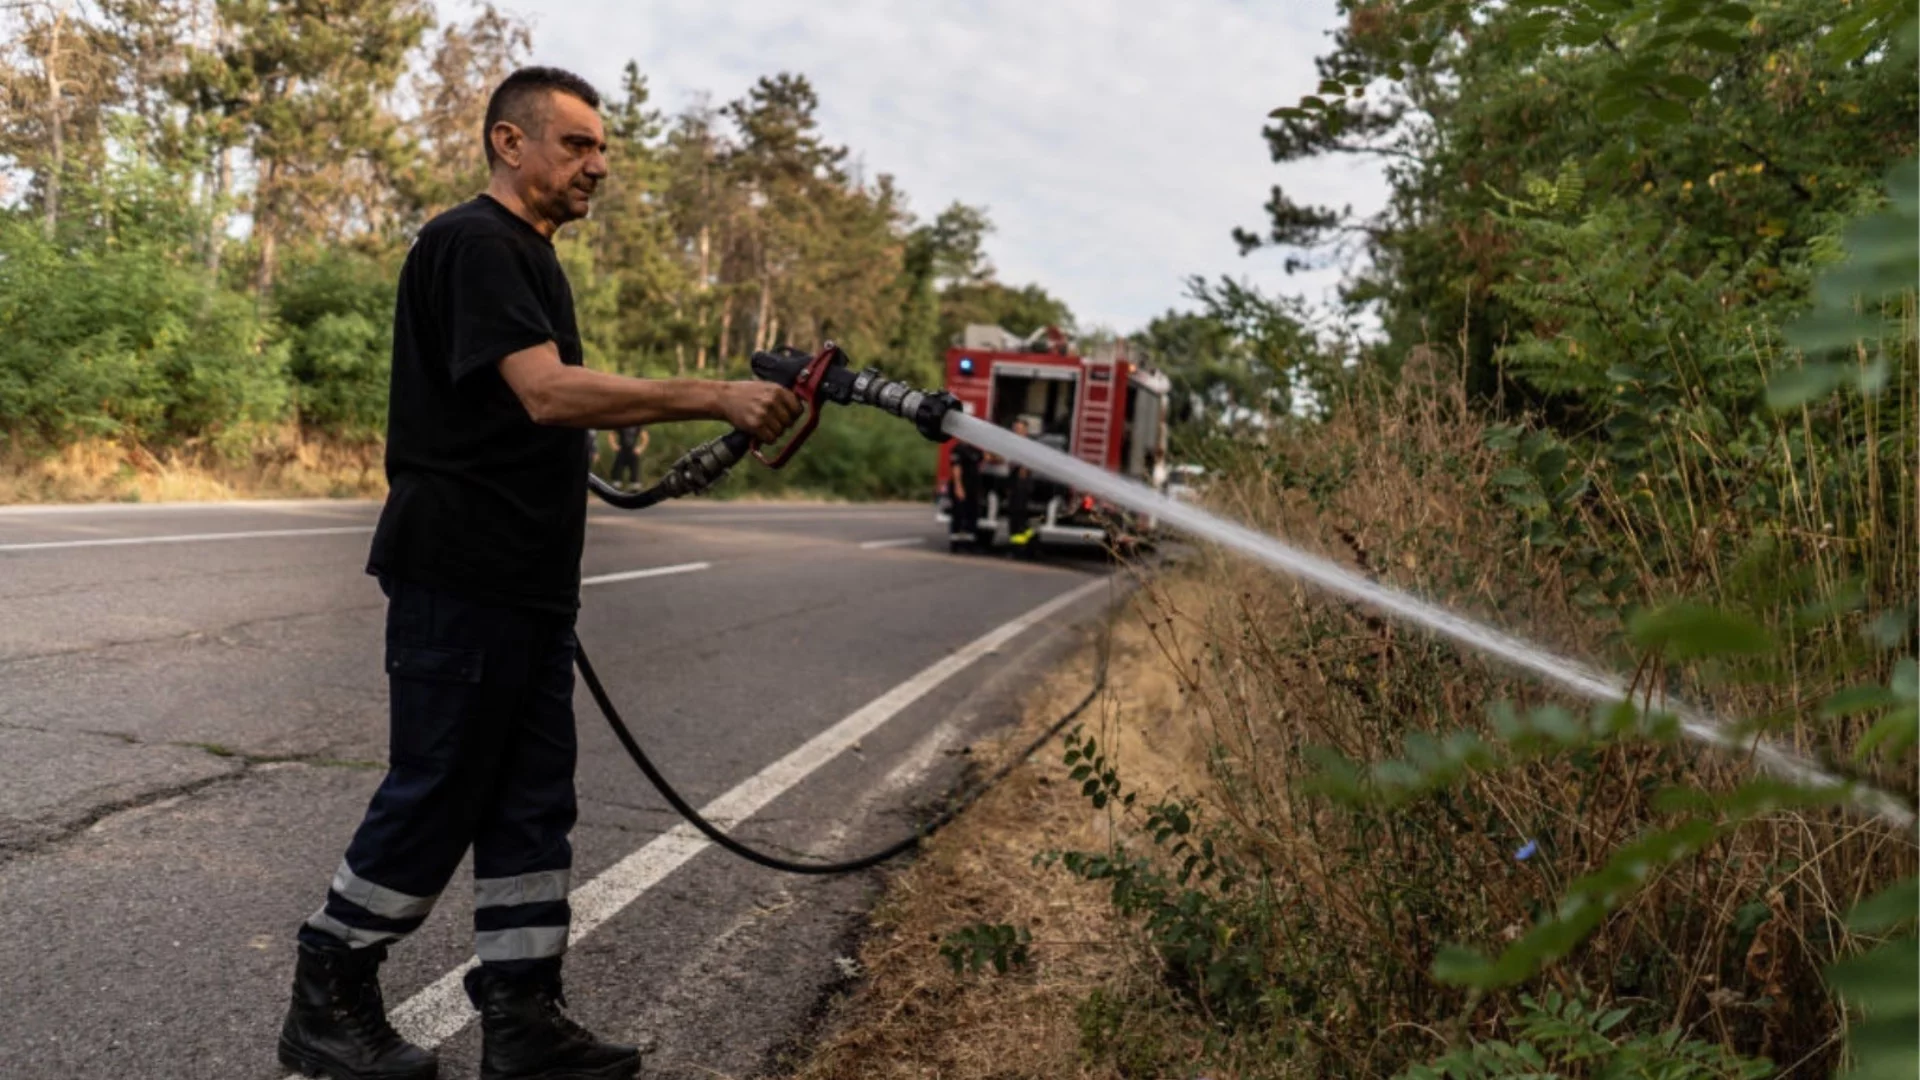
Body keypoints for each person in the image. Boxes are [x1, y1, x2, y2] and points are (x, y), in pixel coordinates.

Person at [278, 67, 801, 1080]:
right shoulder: (472, 242)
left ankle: (521, 1019)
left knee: (529, 803)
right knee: (439, 790)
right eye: (577, 145)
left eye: (603, 149)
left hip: (522, 586)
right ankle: (327, 990)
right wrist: (715, 397)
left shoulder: (528, 257)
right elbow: (548, 394)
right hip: (462, 575)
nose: (598, 165)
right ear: (509, 144)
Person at [609, 424, 647, 489]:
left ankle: (634, 490)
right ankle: (616, 491)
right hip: (622, 451)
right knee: (617, 474)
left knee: (635, 474)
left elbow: (645, 437)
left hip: (633, 452)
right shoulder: (622, 423)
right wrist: (614, 446)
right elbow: (612, 434)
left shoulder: (638, 425)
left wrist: (640, 449)